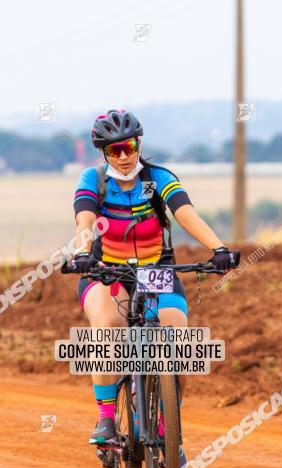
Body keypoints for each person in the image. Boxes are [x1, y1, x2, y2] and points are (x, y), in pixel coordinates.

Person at [71, 109, 237, 447]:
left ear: (138, 144)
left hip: (156, 271)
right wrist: (83, 252)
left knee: (177, 341)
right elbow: (84, 221)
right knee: (109, 327)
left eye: (128, 147)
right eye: (114, 150)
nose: (123, 156)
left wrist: (219, 248)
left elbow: (185, 213)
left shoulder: (159, 177)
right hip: (106, 271)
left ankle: (167, 424)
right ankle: (105, 418)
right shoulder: (94, 180)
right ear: (104, 154)